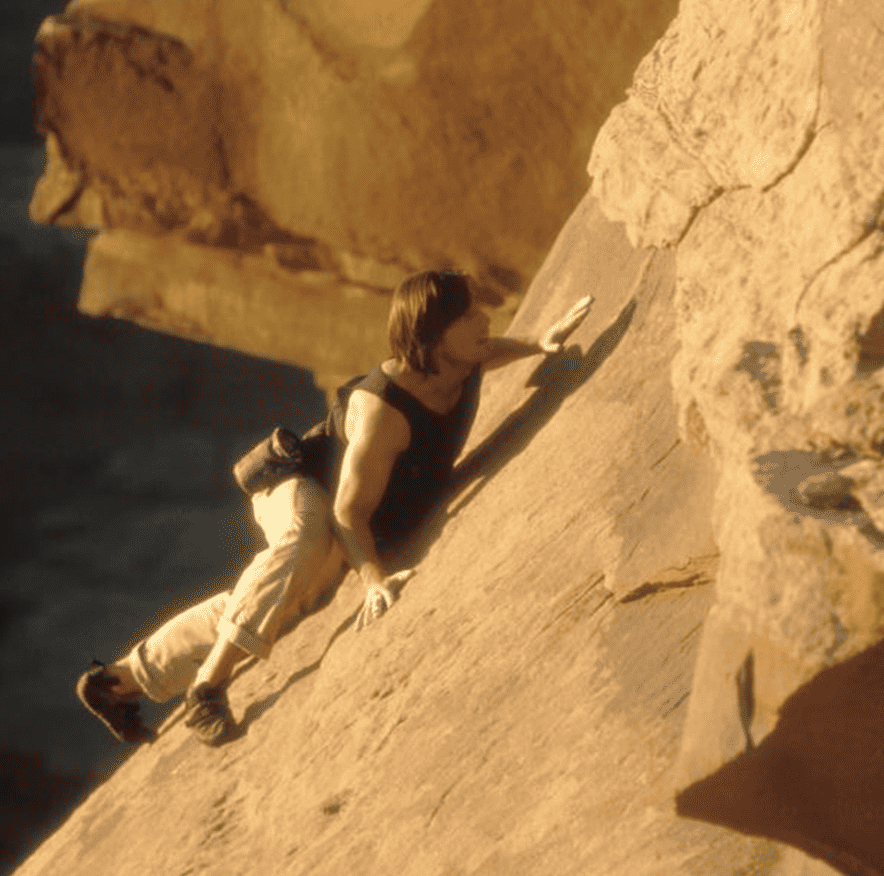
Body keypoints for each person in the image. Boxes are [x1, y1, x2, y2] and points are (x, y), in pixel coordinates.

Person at [77, 270, 592, 746]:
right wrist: (373, 580)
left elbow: (481, 352)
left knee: (281, 597)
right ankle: (206, 691)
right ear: (433, 334)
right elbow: (348, 514)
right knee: (305, 545)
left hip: (337, 502)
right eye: (467, 315)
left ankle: (121, 681)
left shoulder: (453, 359)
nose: (484, 320)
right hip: (301, 487)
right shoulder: (385, 412)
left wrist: (537, 344)